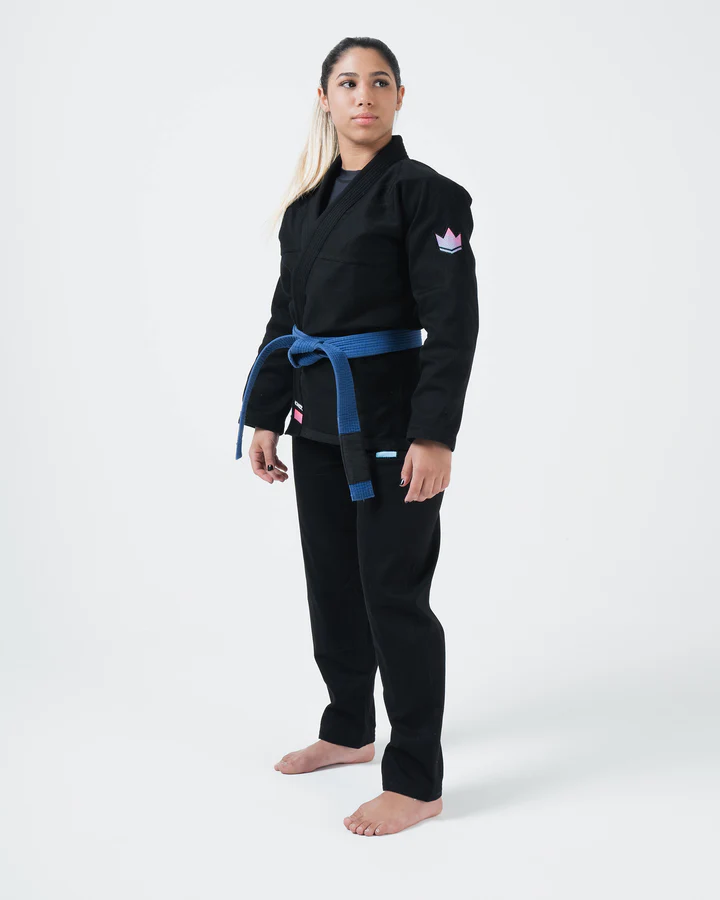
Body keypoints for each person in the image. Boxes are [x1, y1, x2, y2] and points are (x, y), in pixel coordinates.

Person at [235, 37, 479, 836]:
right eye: (348, 83)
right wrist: (266, 413)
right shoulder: (306, 205)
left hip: (390, 426)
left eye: (379, 82)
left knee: (392, 594)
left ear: (400, 97)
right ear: (325, 97)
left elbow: (453, 324)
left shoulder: (426, 195)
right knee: (333, 585)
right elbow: (287, 316)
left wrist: (433, 435)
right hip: (318, 423)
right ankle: (348, 729)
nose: (363, 96)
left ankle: (416, 780)